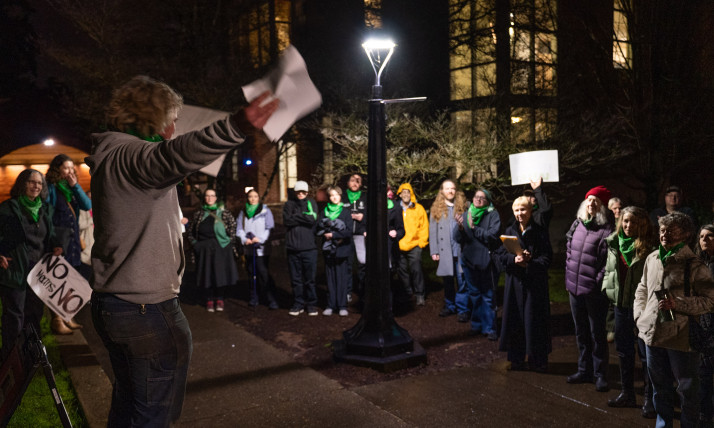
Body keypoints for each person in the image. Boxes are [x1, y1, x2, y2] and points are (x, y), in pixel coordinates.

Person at [86, 75, 278, 427]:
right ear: (153, 119)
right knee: (151, 415)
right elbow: (174, 156)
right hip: (143, 307)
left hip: (116, 303)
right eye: (172, 118)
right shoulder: (133, 156)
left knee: (130, 406)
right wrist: (237, 125)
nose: (175, 127)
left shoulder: (113, 154)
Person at [634, 212, 714, 427]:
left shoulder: (695, 265)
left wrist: (678, 304)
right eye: (662, 230)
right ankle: (663, 424)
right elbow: (642, 290)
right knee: (659, 388)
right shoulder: (652, 258)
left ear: (686, 234)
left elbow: (709, 301)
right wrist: (639, 316)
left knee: (687, 389)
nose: (664, 234)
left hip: (681, 337)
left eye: (671, 230)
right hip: (652, 334)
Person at [0, 169, 63, 359]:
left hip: (39, 272)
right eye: (31, 182)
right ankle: (10, 360)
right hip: (15, 271)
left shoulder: (45, 209)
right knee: (14, 317)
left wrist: (57, 246)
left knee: (35, 314)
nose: (36, 186)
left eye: (39, 183)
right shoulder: (7, 208)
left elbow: (50, 236)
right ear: (22, 184)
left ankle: (32, 357)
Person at [601, 207, 657, 414]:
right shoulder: (614, 243)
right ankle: (627, 393)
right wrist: (608, 290)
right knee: (623, 351)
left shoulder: (649, 248)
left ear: (642, 224)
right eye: (625, 222)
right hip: (620, 306)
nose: (628, 226)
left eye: (633, 222)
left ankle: (649, 398)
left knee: (645, 354)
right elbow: (609, 271)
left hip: (642, 309)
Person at [565, 185, 614, 392]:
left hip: (593, 291)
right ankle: (584, 370)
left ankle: (600, 373)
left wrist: (596, 280)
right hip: (574, 289)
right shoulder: (577, 224)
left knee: (597, 333)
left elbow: (607, 262)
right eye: (589, 200)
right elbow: (568, 249)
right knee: (581, 332)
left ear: (602, 206)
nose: (591, 203)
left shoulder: (607, 230)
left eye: (596, 201)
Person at [496, 196, 552, 372]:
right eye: (516, 210)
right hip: (515, 284)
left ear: (530, 211)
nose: (520, 213)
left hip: (534, 284)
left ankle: (538, 360)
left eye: (523, 209)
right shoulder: (509, 231)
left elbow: (547, 257)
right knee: (516, 321)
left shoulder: (540, 231)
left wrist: (530, 261)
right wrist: (514, 259)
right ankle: (516, 359)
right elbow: (499, 256)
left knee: (535, 321)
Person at [45, 153, 91, 334]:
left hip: (72, 242)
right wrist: (53, 241)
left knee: (69, 280)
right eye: (66, 167)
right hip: (58, 242)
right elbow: (47, 216)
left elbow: (87, 205)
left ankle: (67, 316)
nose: (70, 171)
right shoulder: (51, 189)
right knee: (57, 282)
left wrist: (75, 186)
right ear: (57, 169)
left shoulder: (71, 189)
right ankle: (57, 320)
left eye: (72, 168)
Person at [455, 189, 501, 340]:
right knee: (474, 294)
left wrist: (475, 228)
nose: (478, 200)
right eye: (476, 197)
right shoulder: (467, 214)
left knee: (488, 295)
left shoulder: (492, 214)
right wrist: (461, 228)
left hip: (486, 262)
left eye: (483, 198)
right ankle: (476, 325)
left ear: (488, 201)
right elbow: (457, 238)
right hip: (469, 262)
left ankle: (490, 328)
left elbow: (492, 236)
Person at [188, 189, 239, 312]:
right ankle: (209, 299)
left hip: (220, 248)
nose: (210, 198)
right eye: (207, 196)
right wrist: (195, 244)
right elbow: (191, 231)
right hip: (204, 249)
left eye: (212, 196)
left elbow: (233, 227)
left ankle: (220, 298)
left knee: (219, 274)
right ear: (204, 198)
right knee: (207, 274)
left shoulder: (224, 213)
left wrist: (228, 242)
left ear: (216, 198)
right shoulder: (199, 214)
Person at [430, 180, 468, 320]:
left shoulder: (464, 207)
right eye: (447, 188)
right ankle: (449, 305)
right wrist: (434, 250)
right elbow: (432, 231)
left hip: (460, 249)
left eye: (453, 188)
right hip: (445, 250)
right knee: (447, 280)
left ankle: (463, 309)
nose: (450, 191)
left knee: (462, 280)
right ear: (442, 191)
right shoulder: (436, 208)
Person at [237, 188, 277, 310]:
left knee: (263, 273)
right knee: (251, 274)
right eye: (250, 196)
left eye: (255, 196)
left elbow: (269, 227)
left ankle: (271, 298)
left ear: (258, 198)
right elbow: (239, 229)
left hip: (262, 249)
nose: (253, 199)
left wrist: (260, 239)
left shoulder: (265, 210)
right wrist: (244, 239)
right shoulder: (243, 212)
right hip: (249, 249)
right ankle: (254, 297)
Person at [283, 181, 319, 316]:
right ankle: (298, 304)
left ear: (307, 192)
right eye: (299, 192)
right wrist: (303, 216)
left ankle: (311, 304)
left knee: (309, 279)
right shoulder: (288, 204)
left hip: (309, 248)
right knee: (295, 279)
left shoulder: (311, 203)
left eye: (303, 192)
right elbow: (287, 221)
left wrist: (296, 216)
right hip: (292, 248)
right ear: (295, 192)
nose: (301, 194)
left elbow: (313, 220)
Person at [317, 185, 353, 316]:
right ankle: (331, 304)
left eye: (336, 195)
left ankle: (342, 305)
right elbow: (317, 228)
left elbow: (349, 231)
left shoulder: (345, 212)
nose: (334, 197)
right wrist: (323, 232)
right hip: (328, 250)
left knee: (342, 278)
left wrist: (335, 235)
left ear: (340, 196)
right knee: (330, 278)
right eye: (332, 195)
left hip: (342, 250)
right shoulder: (324, 212)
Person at [396, 183, 429, 307]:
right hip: (399, 245)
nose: (405, 194)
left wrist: (422, 243)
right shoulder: (395, 208)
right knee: (402, 271)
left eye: (408, 192)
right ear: (399, 194)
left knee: (416, 270)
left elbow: (424, 226)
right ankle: (407, 293)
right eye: (403, 192)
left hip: (414, 245)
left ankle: (420, 294)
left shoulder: (418, 208)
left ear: (411, 194)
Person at [695, 224, 714, 427]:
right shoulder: (698, 264)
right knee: (704, 371)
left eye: (710, 236)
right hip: (704, 323)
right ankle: (705, 411)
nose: (705, 240)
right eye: (701, 236)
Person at [342, 174, 367, 301]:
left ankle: (363, 291)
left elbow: (371, 214)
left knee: (363, 264)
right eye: (352, 180)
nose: (355, 183)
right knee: (348, 264)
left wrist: (363, 218)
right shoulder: (342, 196)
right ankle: (347, 291)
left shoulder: (365, 197)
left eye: (358, 181)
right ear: (347, 183)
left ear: (361, 184)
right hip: (346, 235)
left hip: (360, 235)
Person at [78, 192, 94, 282]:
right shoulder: (83, 209)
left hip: (92, 255)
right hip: (84, 252)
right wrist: (91, 220)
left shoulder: (97, 209)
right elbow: (79, 224)